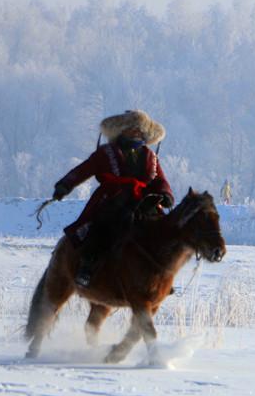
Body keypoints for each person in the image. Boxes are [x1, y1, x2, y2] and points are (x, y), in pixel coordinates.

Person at [51, 110, 174, 287]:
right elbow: (83, 170)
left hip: (143, 200)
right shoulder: (106, 153)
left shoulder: (150, 156)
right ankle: (87, 266)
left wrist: (165, 194)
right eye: (132, 129)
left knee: (162, 229)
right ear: (121, 130)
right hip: (113, 197)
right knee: (102, 225)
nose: (136, 132)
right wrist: (64, 185)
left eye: (139, 129)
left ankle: (161, 273)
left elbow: (159, 179)